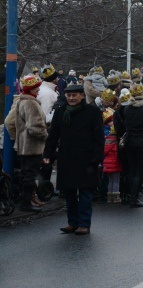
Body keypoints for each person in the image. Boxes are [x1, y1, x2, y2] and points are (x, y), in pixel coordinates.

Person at [43, 84, 104, 235]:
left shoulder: (93, 112)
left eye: (74, 95)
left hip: (86, 158)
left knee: (84, 192)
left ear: (82, 95)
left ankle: (84, 223)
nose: (71, 98)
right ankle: (72, 222)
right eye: (68, 95)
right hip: (67, 157)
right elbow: (53, 135)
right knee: (69, 192)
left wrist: (96, 157)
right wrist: (47, 154)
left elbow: (99, 138)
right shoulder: (60, 111)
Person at [5, 75, 49, 212]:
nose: (39, 89)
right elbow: (35, 126)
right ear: (32, 89)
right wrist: (45, 136)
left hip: (24, 145)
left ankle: (27, 201)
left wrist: (18, 138)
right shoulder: (31, 103)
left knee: (26, 173)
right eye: (37, 87)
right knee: (30, 174)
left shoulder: (21, 101)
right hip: (33, 145)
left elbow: (10, 122)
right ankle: (26, 203)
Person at [114, 83, 143, 207]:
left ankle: (129, 196)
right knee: (139, 172)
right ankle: (134, 198)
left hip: (130, 142)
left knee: (132, 170)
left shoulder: (128, 109)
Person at [101, 109, 122, 203]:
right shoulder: (115, 143)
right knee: (116, 180)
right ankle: (116, 196)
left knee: (110, 180)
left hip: (107, 163)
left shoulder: (107, 141)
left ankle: (109, 197)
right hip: (115, 163)